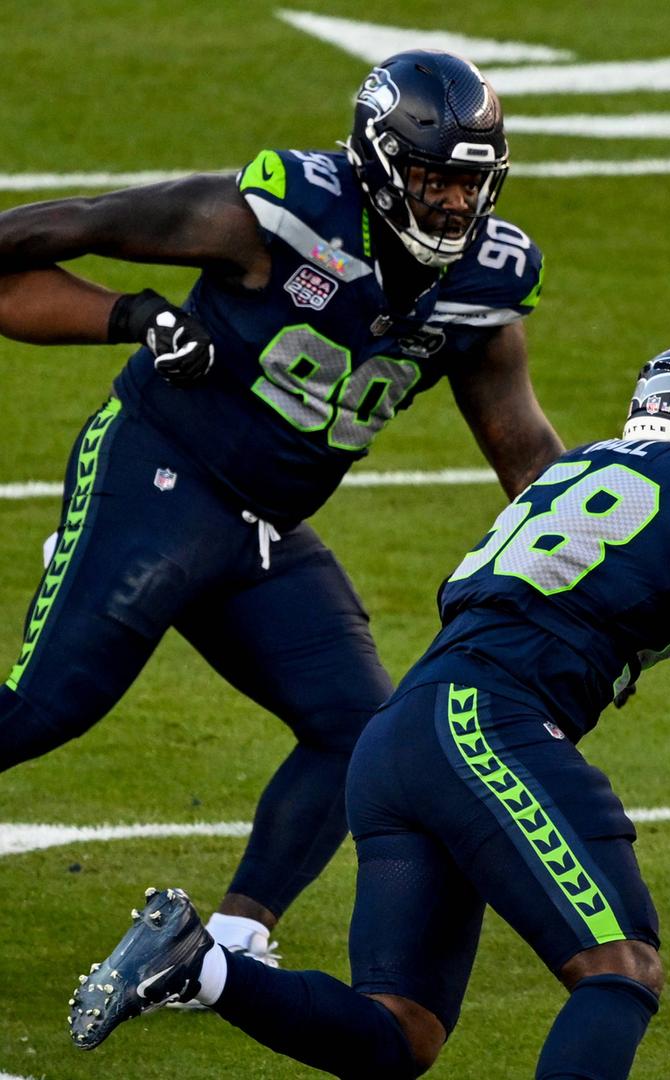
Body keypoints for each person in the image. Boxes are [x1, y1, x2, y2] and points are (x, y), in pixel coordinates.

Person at [66, 344, 670, 1080]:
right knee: (619, 968)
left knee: (401, 1032)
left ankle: (196, 967)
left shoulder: (574, 471)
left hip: (401, 736)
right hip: (490, 726)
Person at [0, 49, 563, 963]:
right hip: (160, 475)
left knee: (357, 730)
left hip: (266, 526)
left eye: (470, 183)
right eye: (431, 178)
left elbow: (522, 444)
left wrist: (608, 557)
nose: (454, 205)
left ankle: (221, 947)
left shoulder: (487, 284)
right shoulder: (281, 211)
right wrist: (134, 317)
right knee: (39, 712)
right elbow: (79, 226)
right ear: (380, 162)